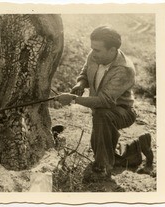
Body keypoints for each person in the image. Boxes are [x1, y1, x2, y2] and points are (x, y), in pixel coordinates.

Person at [55, 26, 153, 179]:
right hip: (103, 110)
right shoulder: (95, 55)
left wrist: (73, 99)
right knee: (99, 147)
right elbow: (85, 72)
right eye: (92, 48)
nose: (93, 53)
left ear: (112, 49)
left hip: (122, 112)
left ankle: (102, 169)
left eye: (97, 50)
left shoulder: (124, 69)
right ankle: (135, 149)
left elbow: (104, 101)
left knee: (102, 117)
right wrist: (80, 83)